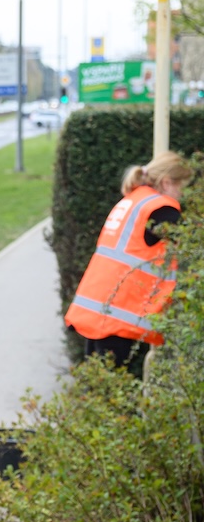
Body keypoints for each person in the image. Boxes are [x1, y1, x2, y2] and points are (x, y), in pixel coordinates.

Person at [65, 150, 192, 373]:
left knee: (98, 387)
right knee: (109, 392)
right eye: (182, 187)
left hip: (100, 307)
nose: (183, 195)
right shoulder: (160, 209)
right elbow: (193, 242)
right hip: (118, 313)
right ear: (166, 182)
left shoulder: (134, 201)